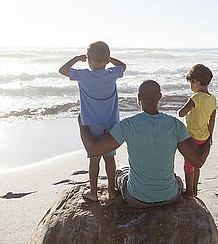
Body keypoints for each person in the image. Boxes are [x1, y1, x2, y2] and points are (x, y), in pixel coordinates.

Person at [78, 80, 211, 208]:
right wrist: (208, 140)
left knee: (120, 171)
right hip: (169, 197)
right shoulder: (175, 125)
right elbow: (197, 161)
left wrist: (82, 123)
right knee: (177, 181)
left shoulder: (128, 125)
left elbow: (94, 150)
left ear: (138, 98)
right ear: (160, 97)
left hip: (136, 199)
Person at [59, 41, 126, 201]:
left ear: (89, 59)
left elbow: (62, 70)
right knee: (110, 158)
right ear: (106, 59)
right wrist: (110, 59)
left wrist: (76, 58)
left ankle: (93, 193)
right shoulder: (112, 73)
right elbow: (123, 66)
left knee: (94, 159)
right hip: (111, 122)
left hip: (92, 123)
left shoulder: (84, 75)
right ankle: (111, 191)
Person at [178, 64, 216, 198]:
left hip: (191, 137)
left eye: (191, 83)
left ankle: (189, 193)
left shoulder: (196, 98)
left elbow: (181, 113)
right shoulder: (212, 99)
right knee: (196, 164)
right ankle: (194, 190)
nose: (191, 87)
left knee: (188, 165)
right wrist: (210, 136)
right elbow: (212, 120)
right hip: (204, 136)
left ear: (196, 82)